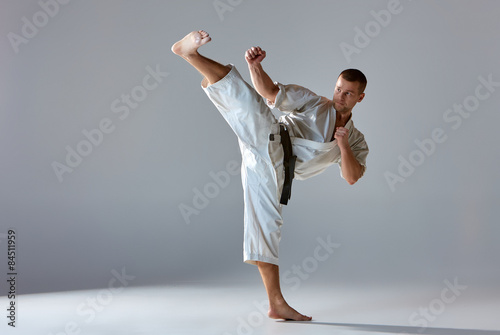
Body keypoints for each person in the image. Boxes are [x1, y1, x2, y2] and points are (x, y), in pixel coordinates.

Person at [171, 30, 369, 321]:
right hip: (272, 139)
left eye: (348, 93)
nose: (340, 96)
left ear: (360, 97)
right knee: (244, 94)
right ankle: (190, 54)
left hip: (273, 172)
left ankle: (276, 304)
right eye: (339, 88)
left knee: (267, 225)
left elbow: (352, 176)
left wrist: (342, 145)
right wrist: (256, 66)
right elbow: (270, 93)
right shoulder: (315, 102)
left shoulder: (355, 140)